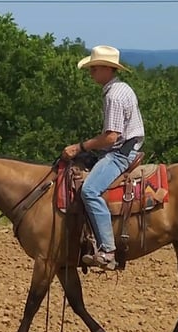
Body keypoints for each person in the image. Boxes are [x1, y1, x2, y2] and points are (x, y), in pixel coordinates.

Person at [61, 45, 145, 270]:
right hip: (126, 146)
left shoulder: (114, 96)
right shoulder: (121, 88)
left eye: (94, 68)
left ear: (108, 69)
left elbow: (111, 137)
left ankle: (107, 250)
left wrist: (79, 147)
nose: (91, 73)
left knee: (89, 190)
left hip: (120, 153)